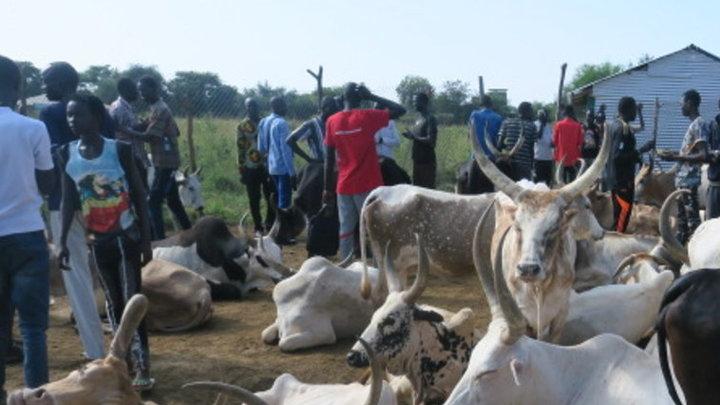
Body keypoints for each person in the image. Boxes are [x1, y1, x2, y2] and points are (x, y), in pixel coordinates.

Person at [57, 93, 154, 391]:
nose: (73, 120)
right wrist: (62, 241)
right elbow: (68, 200)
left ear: (97, 117)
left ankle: (143, 366)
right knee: (112, 303)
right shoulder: (66, 154)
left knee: (131, 299)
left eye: (79, 114)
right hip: (97, 241)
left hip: (126, 237)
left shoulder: (119, 150)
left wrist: (146, 240)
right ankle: (122, 365)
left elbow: (139, 194)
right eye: (69, 115)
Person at [38, 62, 106, 361]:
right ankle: (127, 345)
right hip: (104, 199)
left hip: (64, 202)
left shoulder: (50, 113)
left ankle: (95, 351)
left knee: (77, 277)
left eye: (47, 81)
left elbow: (55, 156)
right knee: (110, 272)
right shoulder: (97, 109)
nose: (44, 87)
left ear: (63, 82)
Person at [0, 55, 55, 403]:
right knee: (33, 327)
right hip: (26, 234)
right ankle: (35, 395)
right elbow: (47, 184)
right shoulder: (33, 128)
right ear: (17, 88)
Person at [323, 83, 406, 259]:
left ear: (343, 98)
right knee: (374, 227)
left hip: (343, 185)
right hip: (368, 184)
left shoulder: (332, 121)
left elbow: (328, 161)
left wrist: (327, 189)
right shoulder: (367, 116)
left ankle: (346, 265)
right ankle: (379, 266)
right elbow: (400, 110)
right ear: (360, 99)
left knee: (346, 229)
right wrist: (372, 96)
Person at [137, 76, 191, 240]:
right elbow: (175, 131)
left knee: (153, 201)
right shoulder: (157, 108)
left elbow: (150, 136)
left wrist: (123, 130)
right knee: (173, 200)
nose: (141, 94)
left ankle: (159, 241)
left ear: (154, 89)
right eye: (140, 91)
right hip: (166, 161)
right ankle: (191, 232)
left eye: (143, 90)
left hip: (165, 162)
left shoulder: (160, 109)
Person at [659, 90, 716, 239]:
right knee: (682, 225)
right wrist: (673, 155)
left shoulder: (699, 124)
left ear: (689, 103)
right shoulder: (694, 125)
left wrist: (675, 157)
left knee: (693, 225)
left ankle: (698, 250)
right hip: (683, 182)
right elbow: (690, 152)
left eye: (682, 104)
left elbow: (703, 155)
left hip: (689, 182)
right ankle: (680, 251)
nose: (681, 107)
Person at [604, 97, 651, 233]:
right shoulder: (622, 129)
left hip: (616, 180)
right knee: (621, 221)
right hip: (622, 182)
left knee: (619, 217)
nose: (635, 112)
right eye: (634, 109)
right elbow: (617, 157)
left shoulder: (614, 125)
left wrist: (638, 158)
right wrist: (641, 150)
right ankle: (615, 243)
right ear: (627, 109)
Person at [258, 96, 294, 243]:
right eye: (284, 105)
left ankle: (275, 229)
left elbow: (261, 148)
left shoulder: (263, 122)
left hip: (271, 166)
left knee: (277, 198)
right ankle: (282, 234)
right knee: (284, 202)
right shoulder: (282, 123)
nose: (286, 108)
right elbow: (286, 150)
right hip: (283, 168)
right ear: (278, 106)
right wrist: (292, 172)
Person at [237, 98, 275, 233]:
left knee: (270, 196)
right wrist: (241, 168)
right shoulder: (242, 125)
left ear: (258, 107)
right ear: (246, 108)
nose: (252, 108)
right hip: (250, 167)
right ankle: (258, 225)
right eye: (249, 106)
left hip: (267, 165)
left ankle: (270, 223)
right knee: (254, 198)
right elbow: (240, 147)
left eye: (254, 106)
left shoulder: (266, 122)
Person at [109, 77, 149, 188]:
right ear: (125, 90)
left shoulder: (126, 106)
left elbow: (127, 127)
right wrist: (142, 128)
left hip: (135, 153)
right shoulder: (119, 108)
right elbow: (119, 131)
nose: (137, 92)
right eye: (134, 89)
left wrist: (142, 125)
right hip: (128, 155)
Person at [287, 96, 339, 164]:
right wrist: (309, 159)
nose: (336, 112)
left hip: (333, 164)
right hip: (320, 165)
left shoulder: (333, 123)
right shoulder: (312, 125)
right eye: (334, 109)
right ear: (327, 108)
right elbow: (290, 140)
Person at [468, 95, 503, 193]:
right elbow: (499, 141)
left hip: (476, 157)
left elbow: (469, 136)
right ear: (491, 105)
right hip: (491, 159)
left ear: (480, 105)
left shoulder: (474, 114)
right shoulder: (498, 118)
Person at [402, 93, 438, 188]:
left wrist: (414, 137)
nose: (414, 104)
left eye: (416, 101)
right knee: (416, 190)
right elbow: (417, 137)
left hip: (427, 162)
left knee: (427, 191)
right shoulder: (418, 119)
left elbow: (431, 140)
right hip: (416, 161)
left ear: (424, 102)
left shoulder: (430, 119)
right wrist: (410, 136)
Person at [497, 101, 537, 181]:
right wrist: (532, 166)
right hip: (524, 165)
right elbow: (531, 148)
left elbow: (499, 144)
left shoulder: (507, 122)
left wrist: (505, 155)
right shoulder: (532, 126)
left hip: (508, 164)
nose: (532, 113)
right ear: (527, 112)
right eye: (531, 111)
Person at [553, 105, 584, 183]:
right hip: (573, 158)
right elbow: (580, 142)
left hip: (561, 157)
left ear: (564, 113)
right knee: (572, 181)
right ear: (572, 113)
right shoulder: (578, 125)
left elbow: (555, 142)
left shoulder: (559, 124)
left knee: (561, 181)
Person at [375, 117, 410, 186]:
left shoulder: (390, 122)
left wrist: (383, 140)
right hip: (375, 161)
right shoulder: (370, 122)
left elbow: (397, 141)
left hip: (388, 160)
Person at [534, 109, 554, 185]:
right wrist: (542, 125)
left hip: (548, 158)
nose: (545, 117)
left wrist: (553, 143)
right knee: (537, 181)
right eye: (542, 116)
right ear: (539, 116)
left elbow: (552, 141)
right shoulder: (534, 124)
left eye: (546, 116)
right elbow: (537, 137)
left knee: (548, 181)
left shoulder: (549, 126)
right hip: (538, 157)